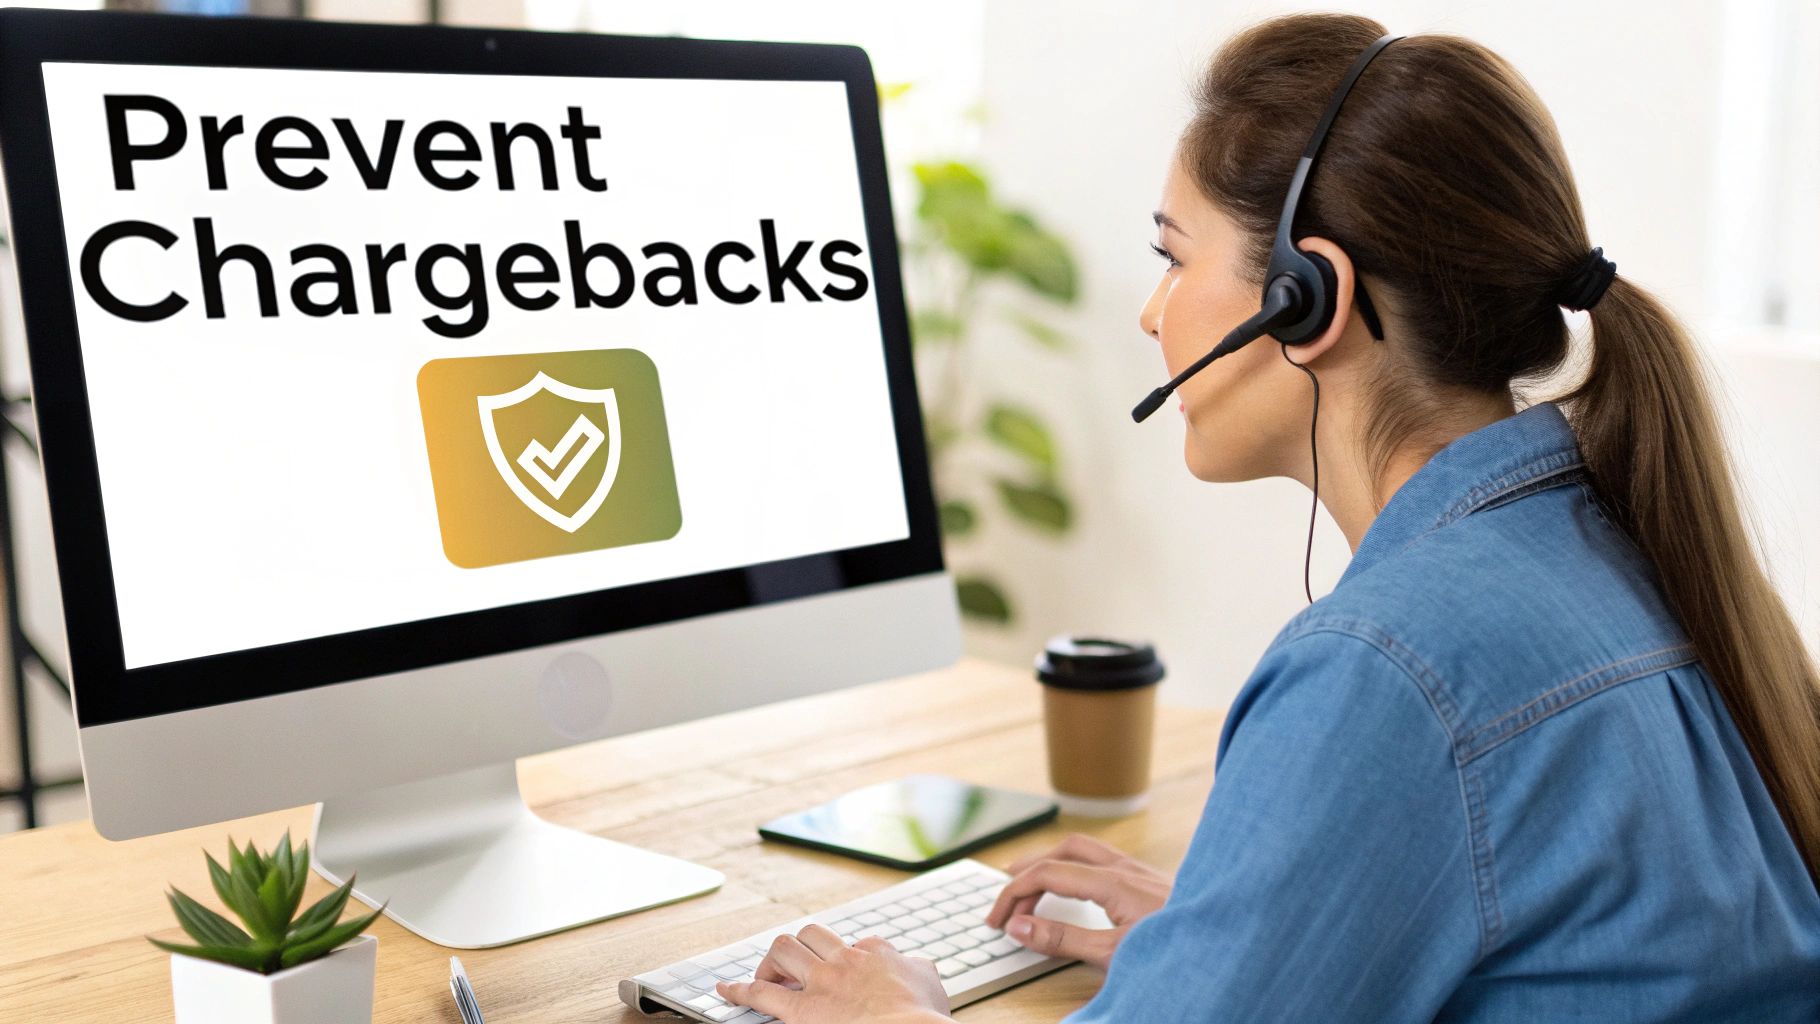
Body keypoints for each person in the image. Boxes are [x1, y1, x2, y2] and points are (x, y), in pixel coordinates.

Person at [717, 12, 1820, 1022]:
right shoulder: (1615, 540)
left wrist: (889, 1012)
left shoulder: (1390, 664)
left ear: (1306, 296)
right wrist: (1239, 935)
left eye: (1172, 257)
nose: (1152, 313)